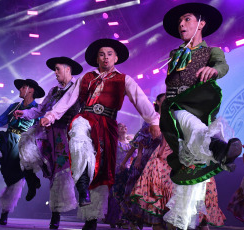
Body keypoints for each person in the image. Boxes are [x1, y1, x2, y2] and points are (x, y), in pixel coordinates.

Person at [40, 38, 160, 230]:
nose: (105, 58)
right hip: (85, 118)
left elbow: (140, 99)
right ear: (96, 58)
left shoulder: (124, 80)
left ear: (116, 57)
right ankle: (81, 182)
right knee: (78, 135)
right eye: (101, 54)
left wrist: (153, 121)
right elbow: (69, 99)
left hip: (107, 127)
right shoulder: (85, 77)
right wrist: (52, 115)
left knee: (102, 170)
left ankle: (91, 218)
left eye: (109, 54)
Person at [159, 3, 242, 229]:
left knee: (193, 170)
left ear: (201, 24)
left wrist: (214, 70)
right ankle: (218, 148)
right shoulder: (175, 54)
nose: (181, 24)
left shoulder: (211, 51)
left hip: (195, 106)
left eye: (187, 19)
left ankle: (182, 222)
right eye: (179, 22)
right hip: (172, 110)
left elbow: (221, 65)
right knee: (185, 122)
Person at [15, 57, 82, 229]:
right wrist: (25, 113)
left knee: (60, 173)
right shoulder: (53, 91)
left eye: (58, 69)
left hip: (66, 134)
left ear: (68, 69)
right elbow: (41, 109)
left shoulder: (78, 89)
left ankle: (56, 214)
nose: (55, 72)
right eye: (55, 69)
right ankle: (32, 180)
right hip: (47, 131)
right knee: (26, 141)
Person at [0, 79, 45, 225]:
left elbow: (42, 129)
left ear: (30, 90)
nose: (20, 90)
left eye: (22, 87)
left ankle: (5, 211)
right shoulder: (13, 106)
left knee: (15, 180)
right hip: (8, 138)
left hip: (23, 143)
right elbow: (0, 121)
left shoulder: (38, 109)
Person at [120, 94, 165, 229]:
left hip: (164, 158)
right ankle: (135, 220)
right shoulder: (152, 118)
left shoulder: (171, 117)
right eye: (164, 98)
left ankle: (157, 220)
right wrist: (139, 157)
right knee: (142, 189)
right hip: (149, 156)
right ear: (158, 102)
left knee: (158, 191)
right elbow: (141, 139)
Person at [104, 122, 135, 228]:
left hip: (128, 171)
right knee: (115, 194)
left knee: (126, 194)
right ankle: (114, 218)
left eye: (125, 126)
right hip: (116, 170)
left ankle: (124, 218)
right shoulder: (115, 142)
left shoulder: (131, 143)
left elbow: (134, 156)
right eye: (121, 126)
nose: (124, 127)